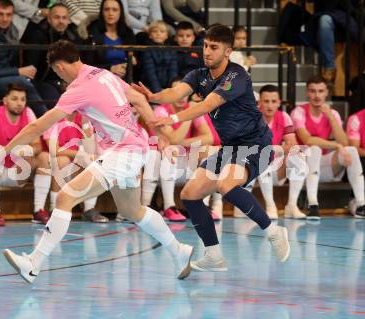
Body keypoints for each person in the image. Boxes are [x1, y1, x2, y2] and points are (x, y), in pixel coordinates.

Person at [0, 40, 193, 283]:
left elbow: (39, 125)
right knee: (131, 210)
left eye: (57, 73)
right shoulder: (104, 74)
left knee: (64, 197)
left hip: (124, 152)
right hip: (134, 148)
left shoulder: (78, 89)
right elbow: (140, 100)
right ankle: (179, 252)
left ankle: (33, 263)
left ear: (59, 67)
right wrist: (158, 134)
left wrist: (6, 150)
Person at [133, 23, 290, 272]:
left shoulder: (237, 76)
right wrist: (152, 97)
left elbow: (208, 104)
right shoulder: (199, 75)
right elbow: (176, 92)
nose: (207, 51)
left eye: (214, 47)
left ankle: (273, 231)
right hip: (230, 147)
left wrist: (173, 119)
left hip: (256, 145)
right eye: (205, 45)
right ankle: (214, 255)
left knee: (226, 185)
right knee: (190, 195)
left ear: (227, 51)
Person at [142, 76, 219, 222]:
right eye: (177, 93)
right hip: (160, 166)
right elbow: (174, 140)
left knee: (210, 151)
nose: (182, 98)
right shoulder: (160, 111)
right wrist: (189, 116)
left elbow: (208, 137)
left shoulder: (189, 108)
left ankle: (202, 206)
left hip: (183, 164)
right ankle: (169, 207)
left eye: (185, 94)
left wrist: (182, 142)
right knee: (171, 150)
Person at [291, 75, 365, 220]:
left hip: (323, 167)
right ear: (307, 92)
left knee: (350, 150)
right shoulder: (298, 112)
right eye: (313, 91)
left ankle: (361, 203)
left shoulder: (333, 114)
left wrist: (330, 117)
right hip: (301, 167)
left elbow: (344, 143)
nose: (317, 95)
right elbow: (307, 140)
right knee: (314, 149)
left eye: (320, 91)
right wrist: (335, 145)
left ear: (326, 93)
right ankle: (313, 204)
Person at [0, 83, 51, 227]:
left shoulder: (29, 113)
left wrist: (27, 150)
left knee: (44, 157)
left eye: (22, 99)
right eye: (14, 99)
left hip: (18, 171)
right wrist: (12, 150)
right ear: (5, 100)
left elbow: (37, 145)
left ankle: (39, 210)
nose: (19, 103)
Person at [0, 0, 48, 117]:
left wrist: (19, 73)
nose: (5, 19)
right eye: (0, 14)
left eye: (8, 15)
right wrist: (18, 71)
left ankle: (37, 126)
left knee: (28, 82)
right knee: (22, 81)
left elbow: (11, 62)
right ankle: (48, 119)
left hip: (5, 78)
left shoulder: (12, 31)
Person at [42, 113, 108, 222]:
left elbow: (90, 151)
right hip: (56, 165)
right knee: (62, 161)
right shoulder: (53, 118)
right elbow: (55, 150)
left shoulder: (84, 120)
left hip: (75, 167)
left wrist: (85, 125)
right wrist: (80, 154)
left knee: (96, 162)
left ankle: (89, 209)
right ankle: (54, 209)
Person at [257, 84, 308, 219]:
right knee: (262, 156)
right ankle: (270, 206)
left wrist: (279, 149)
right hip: (252, 170)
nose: (270, 105)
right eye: (266, 101)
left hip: (275, 169)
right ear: (259, 103)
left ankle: (292, 205)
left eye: (274, 101)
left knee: (298, 156)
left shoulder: (284, 116)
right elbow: (253, 149)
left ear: (279, 103)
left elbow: (293, 145)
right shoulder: (252, 117)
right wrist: (279, 148)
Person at [24, 3, 83, 102]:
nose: (61, 21)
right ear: (49, 19)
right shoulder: (38, 36)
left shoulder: (73, 37)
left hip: (68, 82)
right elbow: (32, 68)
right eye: (57, 17)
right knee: (58, 104)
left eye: (64, 18)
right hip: (44, 81)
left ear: (69, 20)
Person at [88, 0, 135, 79]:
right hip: (100, 80)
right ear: (101, 12)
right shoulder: (92, 32)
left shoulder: (128, 33)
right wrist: (110, 68)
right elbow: (88, 65)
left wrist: (130, 63)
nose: (110, 13)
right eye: (106, 9)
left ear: (121, 12)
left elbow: (136, 62)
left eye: (115, 10)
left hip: (125, 80)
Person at [140, 21, 178, 93]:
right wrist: (158, 91)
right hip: (150, 87)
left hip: (167, 88)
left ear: (166, 35)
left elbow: (173, 71)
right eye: (155, 31)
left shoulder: (171, 50)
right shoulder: (147, 50)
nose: (158, 33)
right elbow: (150, 74)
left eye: (162, 31)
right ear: (150, 35)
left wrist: (170, 90)